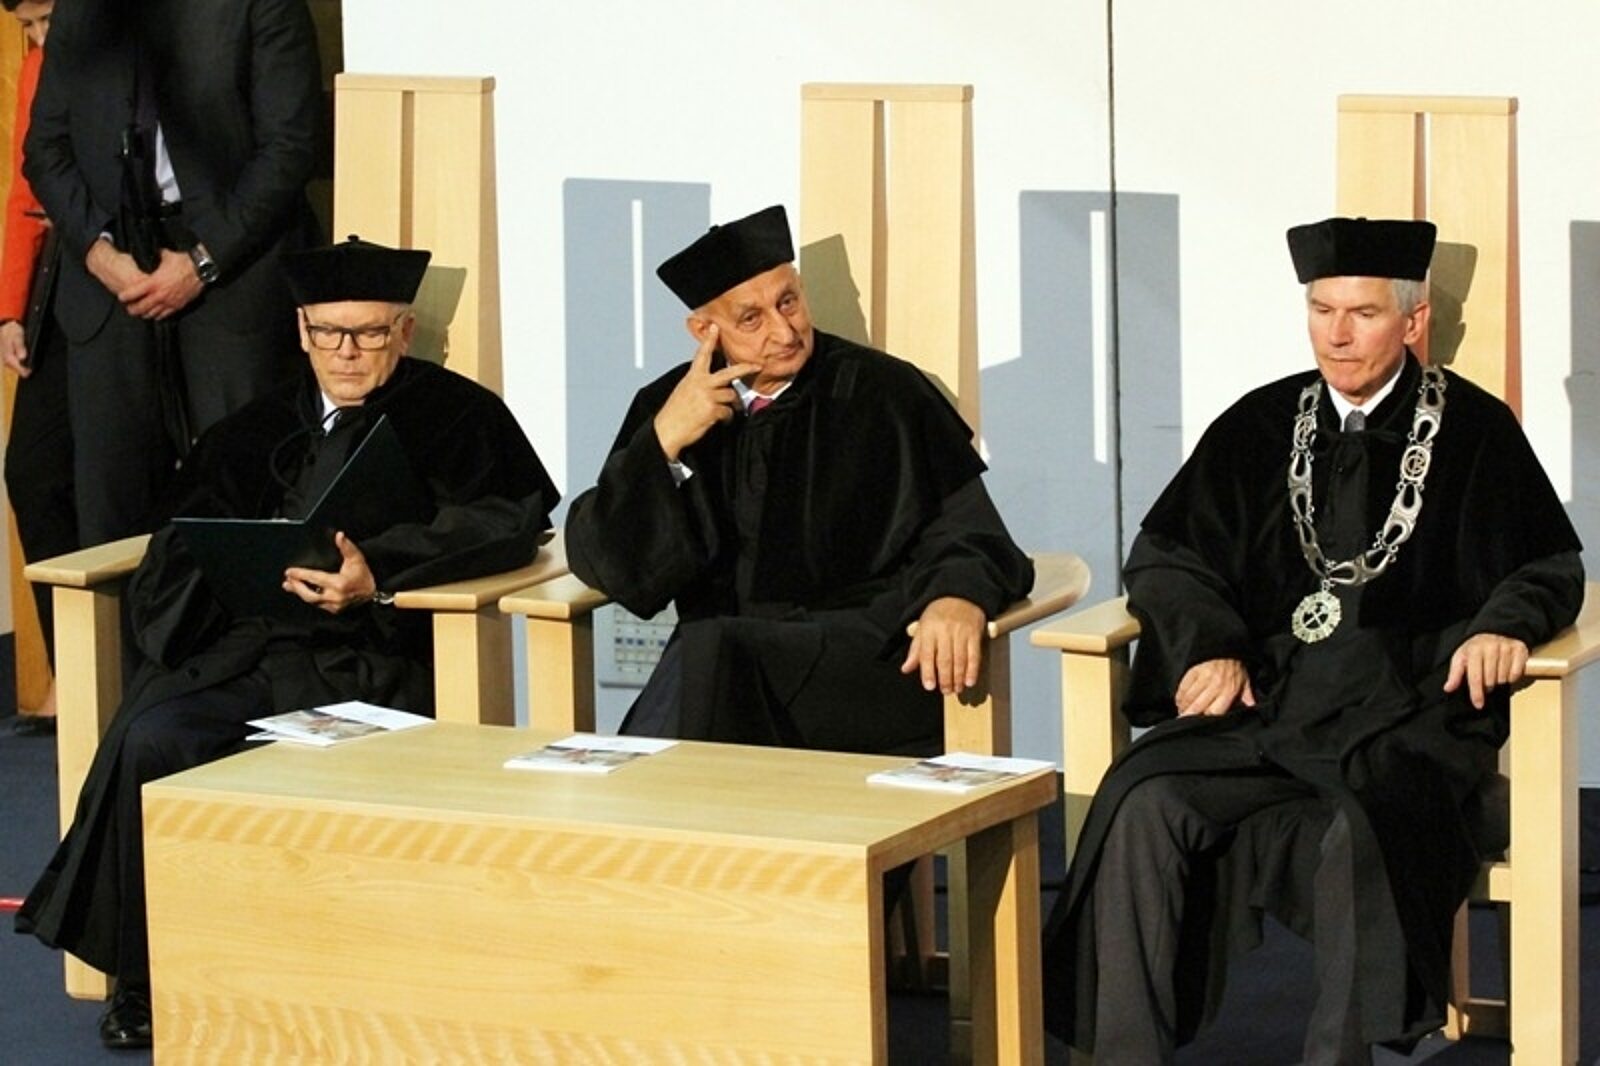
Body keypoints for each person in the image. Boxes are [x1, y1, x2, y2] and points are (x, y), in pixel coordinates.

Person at [1041, 217, 1585, 1064]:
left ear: (1412, 321)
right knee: (1144, 799)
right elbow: (1168, 555)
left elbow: (1547, 565)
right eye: (1322, 310)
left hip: (1402, 720)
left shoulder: (1477, 433)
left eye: (1362, 314)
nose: (1337, 334)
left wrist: (1502, 627)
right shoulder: (1261, 422)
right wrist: (1209, 643)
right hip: (1267, 709)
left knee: (1364, 826)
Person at [14, 237, 559, 1049]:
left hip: (378, 654)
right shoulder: (254, 424)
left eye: (369, 333)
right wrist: (235, 560)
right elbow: (180, 539)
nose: (348, 352)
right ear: (302, 331)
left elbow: (508, 522)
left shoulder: (460, 418)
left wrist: (379, 571)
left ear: (404, 332)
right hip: (253, 652)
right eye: (330, 332)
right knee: (154, 736)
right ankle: (145, 977)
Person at [565, 204, 1034, 756]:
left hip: (860, 660)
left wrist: (957, 597)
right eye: (752, 318)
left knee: (709, 654)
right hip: (722, 665)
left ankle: (628, 794)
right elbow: (610, 564)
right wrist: (663, 443)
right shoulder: (670, 406)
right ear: (704, 330)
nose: (784, 331)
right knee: (712, 651)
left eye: (788, 301)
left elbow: (971, 533)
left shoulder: (884, 392)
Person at [23, 0, 323, 545]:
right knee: (110, 521)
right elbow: (44, 149)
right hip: (109, 276)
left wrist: (203, 262)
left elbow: (291, 144)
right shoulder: (81, 11)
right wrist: (98, 254)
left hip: (232, 270)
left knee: (242, 500)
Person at [0, 0, 72, 734]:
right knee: (34, 471)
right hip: (59, 286)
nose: (41, 37)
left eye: (48, 17)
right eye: (28, 26)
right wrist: (10, 311)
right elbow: (26, 192)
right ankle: (69, 669)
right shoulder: (37, 67)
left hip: (144, 282)